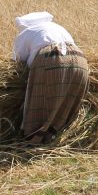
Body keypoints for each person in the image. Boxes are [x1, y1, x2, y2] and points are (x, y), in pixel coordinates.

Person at [12, 11, 89, 145]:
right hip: (81, 62)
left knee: (41, 100)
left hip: (52, 60)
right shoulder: (59, 28)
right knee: (67, 101)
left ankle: (34, 139)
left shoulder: (26, 32)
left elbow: (18, 62)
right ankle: (61, 137)